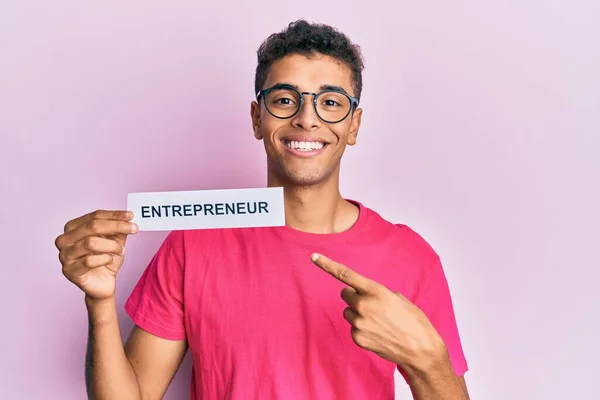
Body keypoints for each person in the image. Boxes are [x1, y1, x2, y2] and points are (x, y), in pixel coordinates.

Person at [55, 20, 469, 400]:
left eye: (330, 102)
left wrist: (429, 364)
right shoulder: (192, 243)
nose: (307, 119)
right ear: (257, 118)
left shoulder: (409, 257)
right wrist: (99, 305)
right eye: (286, 99)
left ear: (354, 125)